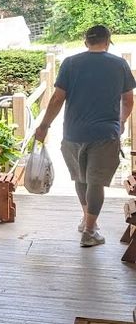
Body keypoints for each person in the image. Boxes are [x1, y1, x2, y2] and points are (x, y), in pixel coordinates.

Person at [34, 24, 135, 246]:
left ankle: (87, 220)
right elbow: (128, 100)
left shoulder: (70, 63)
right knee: (95, 183)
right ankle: (89, 231)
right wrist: (121, 121)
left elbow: (57, 99)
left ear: (85, 42)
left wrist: (44, 126)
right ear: (108, 41)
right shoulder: (119, 65)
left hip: (73, 133)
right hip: (105, 133)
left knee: (80, 179)